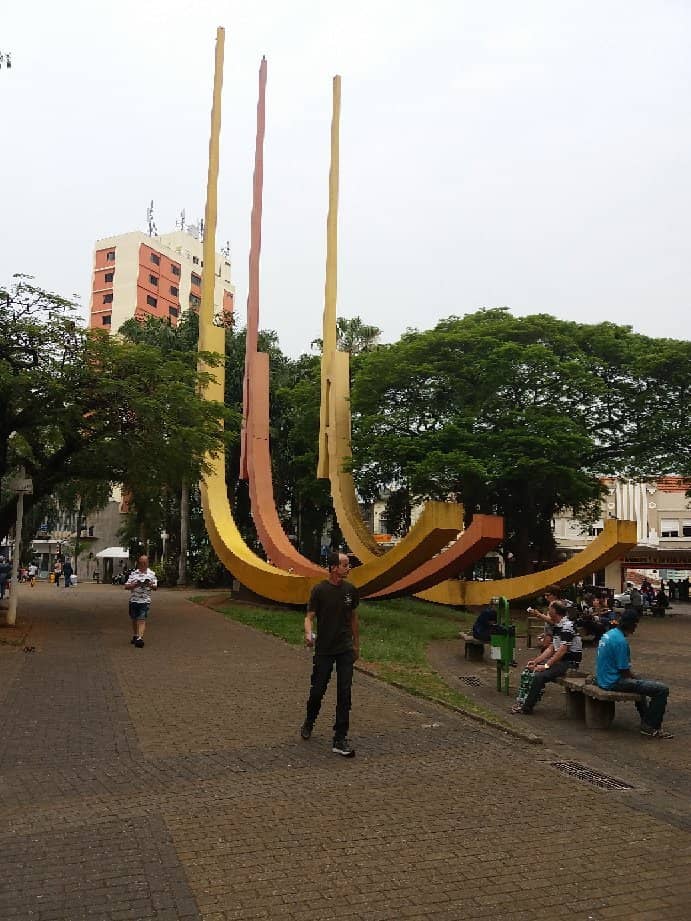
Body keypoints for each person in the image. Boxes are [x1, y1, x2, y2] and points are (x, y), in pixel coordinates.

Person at [301, 551, 360, 757]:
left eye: (348, 565)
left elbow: (353, 618)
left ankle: (340, 738)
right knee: (318, 690)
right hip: (324, 650)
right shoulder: (319, 590)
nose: (348, 568)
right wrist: (309, 633)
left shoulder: (350, 590)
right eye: (345, 564)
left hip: (344, 649)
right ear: (334, 568)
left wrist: (356, 645)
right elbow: (309, 617)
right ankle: (310, 720)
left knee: (345, 693)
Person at [595, 610, 673, 738]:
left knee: (639, 685)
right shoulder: (620, 642)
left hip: (603, 677)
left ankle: (646, 719)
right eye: (636, 624)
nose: (636, 627)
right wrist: (637, 679)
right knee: (661, 690)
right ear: (631, 624)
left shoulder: (609, 634)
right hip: (613, 681)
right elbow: (624, 672)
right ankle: (650, 726)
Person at [511, 601, 582, 715]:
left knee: (539, 676)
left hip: (569, 662)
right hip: (560, 660)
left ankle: (527, 707)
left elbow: (562, 650)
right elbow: (552, 648)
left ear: (554, 611)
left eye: (549, 609)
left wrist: (545, 666)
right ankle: (522, 700)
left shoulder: (567, 626)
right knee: (530, 669)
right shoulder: (558, 625)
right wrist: (535, 661)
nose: (548, 611)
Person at [124, 555, 157, 648]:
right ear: (138, 563)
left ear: (147, 563)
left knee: (142, 619)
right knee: (134, 619)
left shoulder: (152, 574)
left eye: (144, 563)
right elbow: (126, 586)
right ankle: (135, 635)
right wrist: (135, 585)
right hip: (134, 600)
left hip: (145, 601)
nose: (143, 564)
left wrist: (149, 584)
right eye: (141, 562)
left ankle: (139, 638)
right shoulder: (133, 574)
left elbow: (155, 587)